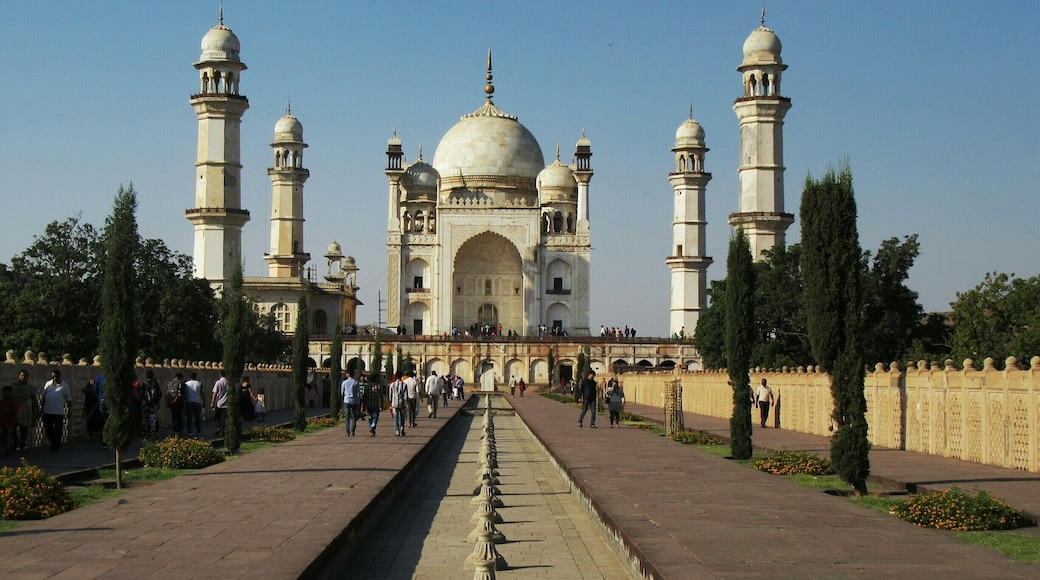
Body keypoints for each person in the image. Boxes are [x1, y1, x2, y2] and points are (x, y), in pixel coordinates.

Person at [41, 368, 72, 451]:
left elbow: (68, 399)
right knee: (48, 429)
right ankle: (53, 442)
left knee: (58, 430)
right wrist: (41, 408)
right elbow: (43, 397)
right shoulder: (48, 384)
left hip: (58, 412)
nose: (55, 379)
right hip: (48, 411)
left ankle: (56, 446)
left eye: (56, 377)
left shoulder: (64, 386)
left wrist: (69, 410)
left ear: (59, 376)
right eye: (53, 377)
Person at [9, 369, 40, 451]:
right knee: (12, 430)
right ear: (19, 376)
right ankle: (16, 442)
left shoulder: (30, 388)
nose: (23, 377)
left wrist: (36, 411)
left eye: (25, 376)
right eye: (22, 375)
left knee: (24, 430)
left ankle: (22, 445)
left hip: (26, 412)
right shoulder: (14, 387)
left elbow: (34, 400)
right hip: (15, 411)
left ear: (27, 378)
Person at [141, 369, 162, 437]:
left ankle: (145, 431)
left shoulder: (144, 384)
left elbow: (141, 395)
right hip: (153, 404)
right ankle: (153, 432)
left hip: (145, 404)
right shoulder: (155, 384)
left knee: (145, 418)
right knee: (153, 418)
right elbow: (159, 394)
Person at [1, 385, 19, 456]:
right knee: (3, 437)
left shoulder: (13, 402)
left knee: (8, 437)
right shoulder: (2, 402)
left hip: (10, 423)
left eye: (7, 392)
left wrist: (8, 410)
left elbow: (15, 410)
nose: (5, 394)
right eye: (4, 392)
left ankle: (8, 450)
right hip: (2, 422)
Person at [341, 370, 360, 437]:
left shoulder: (344, 382)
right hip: (354, 400)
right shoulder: (356, 382)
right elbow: (358, 394)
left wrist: (343, 399)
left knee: (347, 416)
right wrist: (358, 402)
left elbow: (342, 392)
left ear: (348, 374)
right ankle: (352, 431)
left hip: (346, 400)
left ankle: (347, 431)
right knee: (354, 416)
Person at [211, 371, 229, 436]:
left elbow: (215, 393)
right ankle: (224, 430)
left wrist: (212, 402)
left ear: (220, 375)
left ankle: (218, 427)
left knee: (217, 417)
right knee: (224, 418)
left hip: (219, 403)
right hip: (226, 403)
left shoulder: (218, 382)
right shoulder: (228, 383)